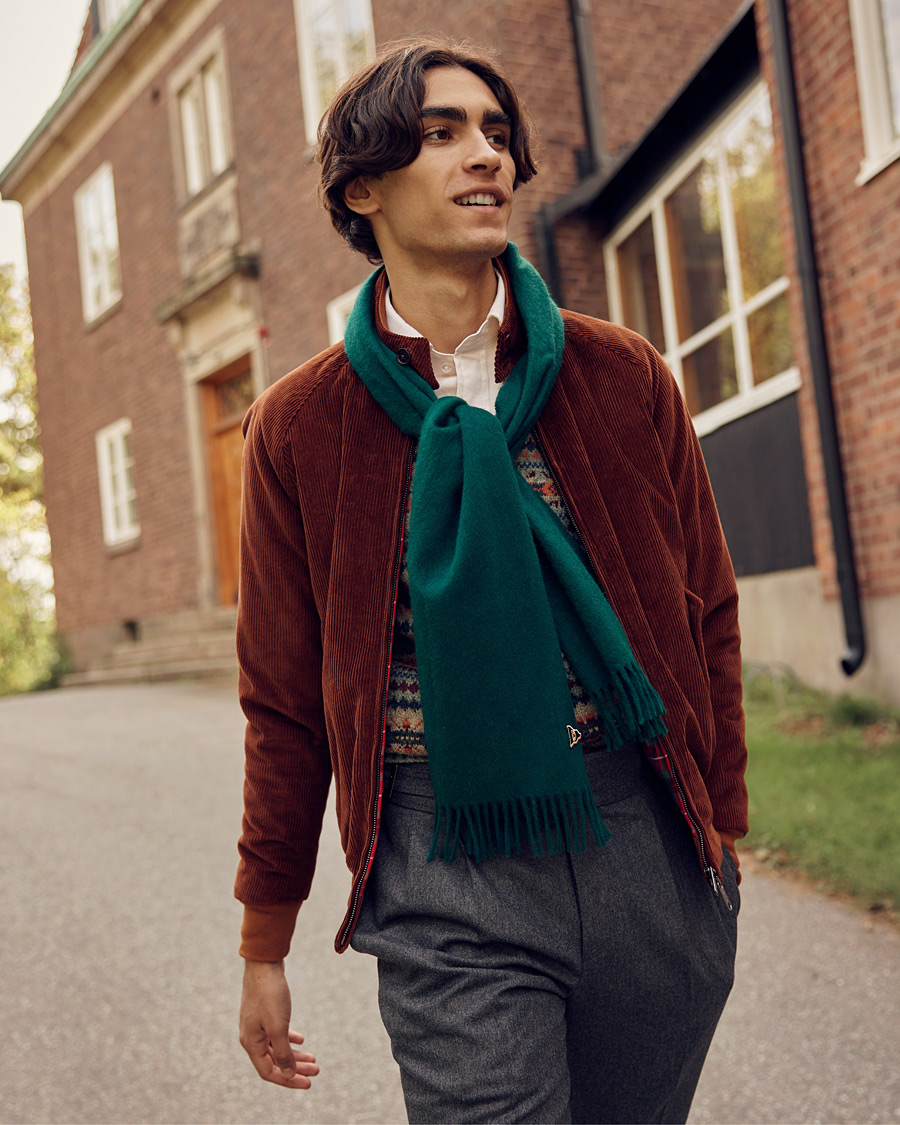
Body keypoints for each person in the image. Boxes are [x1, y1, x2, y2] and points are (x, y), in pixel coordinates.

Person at [236, 37, 748, 1125]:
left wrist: (720, 837)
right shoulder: (298, 426)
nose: (487, 156)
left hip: (645, 845)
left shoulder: (622, 376)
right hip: (442, 869)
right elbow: (283, 702)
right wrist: (264, 940)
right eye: (442, 133)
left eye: (497, 132)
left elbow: (707, 609)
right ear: (363, 188)